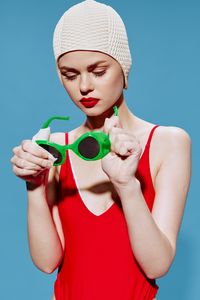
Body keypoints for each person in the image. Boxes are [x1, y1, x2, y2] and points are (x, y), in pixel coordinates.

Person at [10, 0, 192, 299]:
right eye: (70, 74)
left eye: (98, 70)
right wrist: (35, 187)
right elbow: (47, 263)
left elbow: (157, 265)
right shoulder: (56, 147)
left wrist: (127, 186)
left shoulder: (168, 142)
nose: (84, 86)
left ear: (123, 66)